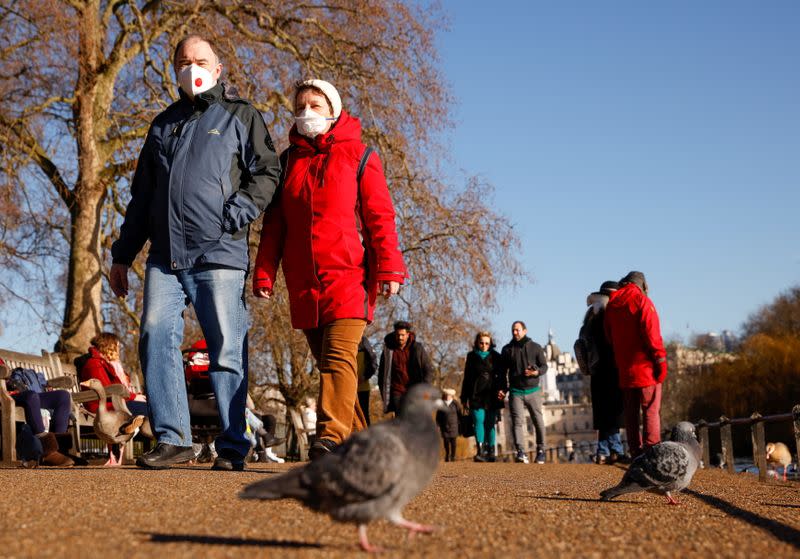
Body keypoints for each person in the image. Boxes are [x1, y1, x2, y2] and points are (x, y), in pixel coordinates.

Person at [109, 34, 281, 471]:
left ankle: (232, 444)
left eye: (200, 59)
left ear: (218, 68)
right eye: (183, 61)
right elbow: (142, 196)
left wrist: (235, 213)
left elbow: (266, 172)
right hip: (165, 255)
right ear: (175, 71)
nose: (192, 67)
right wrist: (122, 255)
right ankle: (173, 438)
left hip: (219, 252)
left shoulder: (241, 115)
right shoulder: (162, 124)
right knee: (154, 336)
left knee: (225, 347)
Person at [253, 79, 406, 460]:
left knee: (339, 359)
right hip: (304, 282)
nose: (307, 112)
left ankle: (330, 438)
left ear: (334, 111)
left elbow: (379, 216)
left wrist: (389, 268)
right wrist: (264, 273)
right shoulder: (286, 161)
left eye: (316, 105)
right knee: (332, 368)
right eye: (301, 105)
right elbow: (275, 224)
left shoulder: (361, 155)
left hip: (349, 277)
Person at [604, 271, 668, 458]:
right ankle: (651, 451)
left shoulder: (612, 306)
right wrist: (661, 362)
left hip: (625, 369)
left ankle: (635, 452)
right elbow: (653, 336)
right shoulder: (643, 301)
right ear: (643, 285)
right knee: (650, 411)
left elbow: (609, 338)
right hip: (646, 368)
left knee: (631, 415)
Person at [580, 281, 626, 464]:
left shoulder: (590, 317)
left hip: (597, 371)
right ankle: (614, 448)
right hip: (611, 369)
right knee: (612, 412)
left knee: (604, 413)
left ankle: (604, 450)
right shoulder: (610, 316)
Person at [3, 362, 75, 467]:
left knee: (63, 396)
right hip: (4, 396)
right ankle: (47, 452)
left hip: (16, 392)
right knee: (31, 396)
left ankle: (60, 450)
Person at [498, 321, 548, 464]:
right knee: (517, 422)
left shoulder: (536, 347)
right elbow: (502, 372)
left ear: (525, 331)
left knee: (538, 420)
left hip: (533, 390)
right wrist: (502, 388)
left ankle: (541, 450)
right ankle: (521, 451)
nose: (515, 332)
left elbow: (544, 366)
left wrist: (536, 372)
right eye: (513, 330)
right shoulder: (507, 349)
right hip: (516, 391)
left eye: (518, 330)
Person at [77, 332, 148, 417]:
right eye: (117, 346)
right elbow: (106, 390)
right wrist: (133, 397)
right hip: (101, 405)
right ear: (109, 347)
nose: (118, 350)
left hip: (113, 402)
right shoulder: (94, 364)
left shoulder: (106, 363)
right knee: (150, 410)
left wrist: (136, 396)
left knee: (152, 407)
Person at [460, 331, 504, 462]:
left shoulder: (496, 356)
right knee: (478, 422)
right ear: (477, 342)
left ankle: (491, 452)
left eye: (487, 343)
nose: (484, 345)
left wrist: (502, 390)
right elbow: (466, 378)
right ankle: (480, 451)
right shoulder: (471, 356)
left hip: (492, 395)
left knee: (490, 424)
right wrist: (464, 398)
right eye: (481, 343)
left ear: (490, 343)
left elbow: (501, 376)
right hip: (475, 395)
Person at [378, 321, 433, 414]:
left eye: (403, 335)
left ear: (408, 334)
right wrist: (384, 394)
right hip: (397, 392)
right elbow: (382, 373)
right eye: (398, 335)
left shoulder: (417, 348)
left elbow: (428, 369)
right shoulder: (388, 350)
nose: (400, 338)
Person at [356, 336, 378, 426]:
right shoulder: (342, 339)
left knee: (363, 415)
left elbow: (374, 363)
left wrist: (364, 377)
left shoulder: (362, 340)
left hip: (362, 388)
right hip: (346, 389)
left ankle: (367, 437)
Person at [436, 388, 461, 462]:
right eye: (446, 395)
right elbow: (438, 416)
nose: (447, 396)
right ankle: (447, 454)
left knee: (453, 442)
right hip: (444, 426)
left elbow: (460, 414)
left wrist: (460, 423)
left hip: (454, 426)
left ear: (452, 396)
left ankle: (453, 456)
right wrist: (437, 424)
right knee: (446, 441)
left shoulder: (455, 403)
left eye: (449, 395)